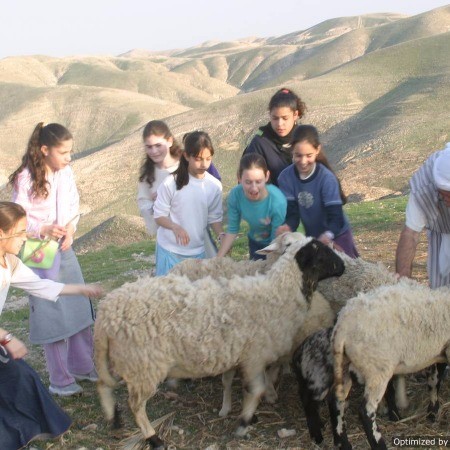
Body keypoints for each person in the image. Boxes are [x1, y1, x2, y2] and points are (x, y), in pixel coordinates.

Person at [0, 201, 102, 450]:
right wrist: (6, 337)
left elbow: (41, 286)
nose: (27, 237)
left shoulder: (9, 261)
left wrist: (80, 289)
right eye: (21, 231)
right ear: (1, 233)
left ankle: (22, 435)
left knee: (22, 377)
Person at [9, 122, 98, 397]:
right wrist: (42, 229)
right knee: (52, 309)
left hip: (63, 245)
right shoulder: (25, 178)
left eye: (71, 151)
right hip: (37, 249)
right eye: (64, 152)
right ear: (45, 150)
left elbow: (72, 203)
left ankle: (83, 365)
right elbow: (18, 215)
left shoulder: (66, 172)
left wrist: (71, 228)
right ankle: (59, 379)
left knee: (78, 305)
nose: (69, 157)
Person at [137, 120, 221, 257]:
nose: (154, 151)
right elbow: (144, 204)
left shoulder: (191, 161)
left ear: (169, 141)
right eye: (149, 147)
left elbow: (212, 186)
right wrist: (156, 205)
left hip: (198, 237)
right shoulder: (147, 177)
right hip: (170, 242)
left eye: (158, 145)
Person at [277, 125, 359, 258]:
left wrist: (328, 236)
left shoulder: (326, 179)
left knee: (348, 274)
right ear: (292, 150)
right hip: (314, 238)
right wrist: (287, 227)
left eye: (308, 155)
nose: (303, 161)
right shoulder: (285, 178)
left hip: (337, 235)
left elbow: (336, 217)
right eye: (298, 155)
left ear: (317, 150)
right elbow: (293, 214)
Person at [153, 131, 223, 275]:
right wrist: (175, 227)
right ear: (186, 156)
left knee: (194, 295)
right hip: (170, 252)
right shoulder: (170, 184)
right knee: (167, 295)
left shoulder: (214, 186)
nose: (204, 164)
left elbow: (214, 217)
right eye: (198, 159)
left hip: (198, 252)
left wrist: (221, 235)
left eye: (208, 158)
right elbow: (159, 216)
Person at [395, 142, 450, 288]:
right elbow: (410, 234)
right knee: (440, 296)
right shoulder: (424, 186)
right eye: (444, 195)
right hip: (442, 233)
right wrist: (403, 280)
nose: (447, 200)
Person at [217, 153, 287, 260]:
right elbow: (232, 229)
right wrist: (218, 259)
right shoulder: (236, 195)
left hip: (277, 244)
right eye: (248, 182)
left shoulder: (277, 201)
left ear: (267, 176)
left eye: (258, 182)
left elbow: (276, 240)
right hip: (254, 241)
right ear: (239, 178)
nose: (254, 188)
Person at [242, 88, 306, 186]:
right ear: (270, 115)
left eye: (285, 118)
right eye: (275, 118)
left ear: (295, 115)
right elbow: (250, 184)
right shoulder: (260, 144)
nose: (280, 124)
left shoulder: (305, 139)